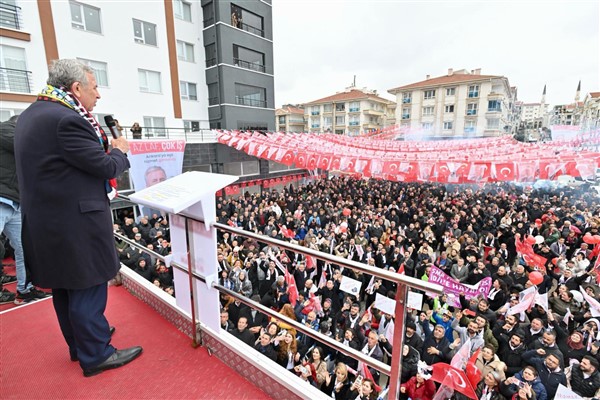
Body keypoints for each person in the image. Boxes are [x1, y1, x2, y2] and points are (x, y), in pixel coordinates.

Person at [14, 59, 142, 376]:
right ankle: (96, 354)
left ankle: (80, 344)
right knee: (87, 284)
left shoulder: (33, 114)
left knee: (65, 288)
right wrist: (120, 150)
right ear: (75, 88)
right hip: (74, 224)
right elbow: (105, 167)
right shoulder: (66, 120)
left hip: (49, 222)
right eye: (94, 87)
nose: (98, 95)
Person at [0, 115, 49, 304]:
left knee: (25, 248)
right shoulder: (5, 129)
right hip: (2, 198)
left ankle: (25, 289)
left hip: (15, 202)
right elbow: (26, 147)